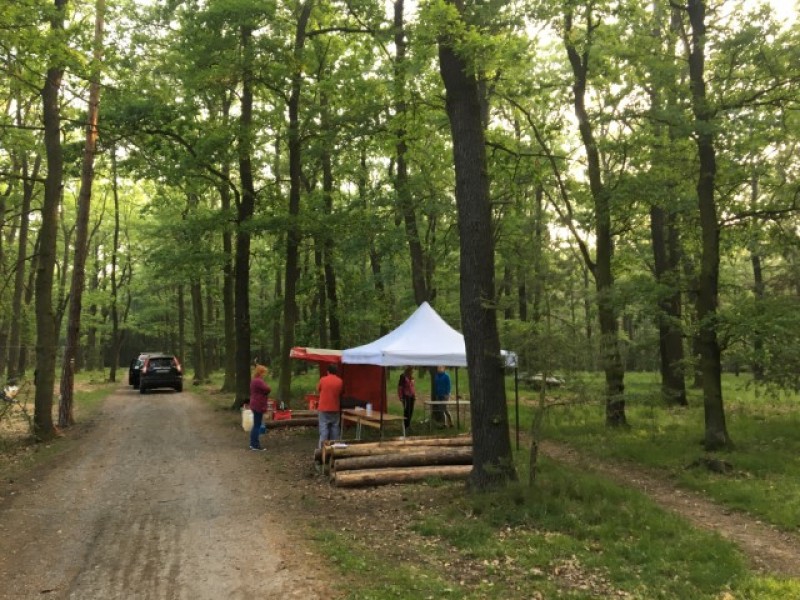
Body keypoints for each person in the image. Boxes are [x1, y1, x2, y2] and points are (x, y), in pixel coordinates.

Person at [317, 364, 344, 449]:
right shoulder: (340, 381)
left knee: (324, 429)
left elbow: (318, 389)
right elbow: (341, 392)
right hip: (335, 408)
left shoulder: (323, 380)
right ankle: (335, 448)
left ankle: (322, 449)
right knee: (335, 428)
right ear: (336, 372)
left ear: (328, 371)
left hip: (323, 408)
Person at [248, 364, 271, 451]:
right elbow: (267, 389)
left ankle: (252, 444)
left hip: (255, 403)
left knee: (256, 425)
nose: (265, 374)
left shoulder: (254, 380)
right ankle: (255, 445)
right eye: (264, 372)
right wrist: (267, 388)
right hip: (258, 404)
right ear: (260, 372)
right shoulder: (259, 381)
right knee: (257, 425)